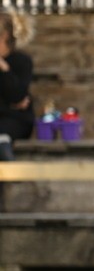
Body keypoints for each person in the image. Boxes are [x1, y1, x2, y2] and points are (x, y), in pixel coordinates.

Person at [0, 9, 35, 162]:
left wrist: (4, 69)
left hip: (15, 121)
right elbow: (16, 102)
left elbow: (18, 96)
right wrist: (8, 106)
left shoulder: (22, 61)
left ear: (5, 36)